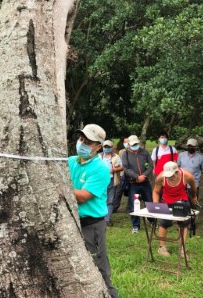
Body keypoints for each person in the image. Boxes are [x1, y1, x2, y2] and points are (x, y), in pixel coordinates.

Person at [68, 124, 118, 298]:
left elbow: (82, 196)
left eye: (88, 142)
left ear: (98, 146)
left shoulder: (101, 168)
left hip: (92, 225)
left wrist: (58, 187)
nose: (82, 143)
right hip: (71, 222)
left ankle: (110, 294)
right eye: (81, 139)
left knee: (99, 265)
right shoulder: (71, 161)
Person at [152, 161, 197, 257]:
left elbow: (193, 185)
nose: (169, 178)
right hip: (166, 201)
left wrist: (194, 196)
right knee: (164, 223)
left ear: (177, 172)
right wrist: (156, 205)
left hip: (182, 201)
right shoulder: (160, 178)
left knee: (184, 224)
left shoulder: (187, 175)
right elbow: (155, 192)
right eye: (167, 176)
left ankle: (182, 249)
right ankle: (162, 247)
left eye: (172, 175)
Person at [122, 135, 154, 234]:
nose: (135, 146)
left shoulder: (145, 152)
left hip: (145, 183)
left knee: (149, 201)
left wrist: (144, 175)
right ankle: (136, 225)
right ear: (129, 145)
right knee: (134, 204)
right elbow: (126, 168)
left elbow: (151, 165)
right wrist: (136, 177)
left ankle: (152, 220)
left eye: (136, 144)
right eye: (133, 144)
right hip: (133, 184)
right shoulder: (125, 154)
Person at [99, 140, 123, 227]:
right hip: (100, 182)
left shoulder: (116, 157)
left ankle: (107, 219)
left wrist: (114, 170)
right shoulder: (98, 156)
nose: (106, 148)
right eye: (105, 147)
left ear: (112, 147)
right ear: (102, 147)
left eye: (108, 147)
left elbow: (122, 167)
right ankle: (100, 218)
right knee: (100, 200)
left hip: (111, 181)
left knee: (110, 200)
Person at [112, 138, 129, 213]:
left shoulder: (134, 152)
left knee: (131, 192)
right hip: (122, 175)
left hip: (131, 175)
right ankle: (114, 208)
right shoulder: (121, 152)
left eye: (128, 142)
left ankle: (129, 207)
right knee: (118, 192)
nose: (126, 144)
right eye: (125, 142)